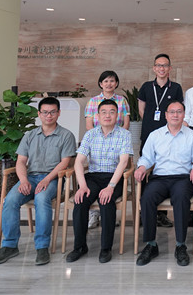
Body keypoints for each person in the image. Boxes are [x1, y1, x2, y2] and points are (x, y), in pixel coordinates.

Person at [0, 97, 76, 266]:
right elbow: (21, 161)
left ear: (59, 113)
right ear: (39, 114)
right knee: (10, 200)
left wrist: (47, 179)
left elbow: (65, 162)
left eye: (52, 112)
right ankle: (9, 246)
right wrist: (23, 181)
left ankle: (42, 247)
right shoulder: (29, 135)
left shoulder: (66, 135)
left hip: (53, 179)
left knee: (41, 198)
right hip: (30, 178)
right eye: (45, 112)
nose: (49, 116)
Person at [135, 100, 193, 267]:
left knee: (181, 198)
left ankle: (180, 245)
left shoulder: (192, 136)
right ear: (166, 115)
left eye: (179, 112)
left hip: (182, 178)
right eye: (172, 112)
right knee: (147, 198)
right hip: (160, 177)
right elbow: (146, 157)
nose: (175, 115)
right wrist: (142, 167)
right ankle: (151, 244)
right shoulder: (155, 135)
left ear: (184, 115)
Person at [66, 99, 133, 264]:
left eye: (112, 112)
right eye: (104, 112)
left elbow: (124, 162)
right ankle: (79, 247)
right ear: (97, 116)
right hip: (93, 176)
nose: (107, 115)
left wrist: (110, 187)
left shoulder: (124, 134)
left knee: (106, 201)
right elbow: (78, 162)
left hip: (114, 177)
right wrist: (82, 186)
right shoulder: (90, 134)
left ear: (117, 115)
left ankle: (105, 248)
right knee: (80, 200)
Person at [138, 53, 184, 228]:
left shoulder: (176, 88)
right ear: (154, 68)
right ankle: (145, 212)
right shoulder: (146, 87)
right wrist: (152, 125)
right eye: (158, 65)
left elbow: (177, 109)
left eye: (165, 65)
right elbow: (142, 109)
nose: (162, 68)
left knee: (164, 172)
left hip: (169, 135)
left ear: (170, 68)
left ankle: (162, 215)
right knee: (146, 171)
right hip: (149, 134)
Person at [84, 70, 130, 229]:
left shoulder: (122, 100)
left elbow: (126, 123)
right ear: (100, 83)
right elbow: (89, 125)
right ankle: (94, 215)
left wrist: (117, 137)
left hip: (116, 143)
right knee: (93, 184)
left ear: (116, 83)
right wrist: (98, 138)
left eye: (112, 81)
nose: (109, 84)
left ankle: (108, 215)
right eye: (105, 81)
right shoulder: (93, 101)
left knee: (112, 181)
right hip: (97, 144)